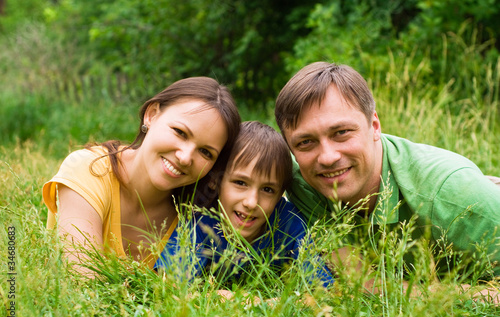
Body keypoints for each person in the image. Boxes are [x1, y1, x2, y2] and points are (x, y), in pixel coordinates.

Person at [274, 62, 500, 296]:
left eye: (341, 133)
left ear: (374, 126)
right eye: (305, 142)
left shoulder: (453, 193)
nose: (328, 157)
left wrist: (431, 296)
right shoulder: (296, 180)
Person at [43, 77, 241, 273]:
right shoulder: (88, 168)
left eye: (206, 152)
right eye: (180, 132)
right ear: (152, 115)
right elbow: (82, 285)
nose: (185, 157)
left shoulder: (198, 219)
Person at [155, 121, 335, 288]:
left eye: (267, 189)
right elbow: (168, 282)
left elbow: (324, 289)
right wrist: (215, 297)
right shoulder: (201, 221)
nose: (251, 202)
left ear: (280, 195)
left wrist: (271, 304)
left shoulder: (288, 223)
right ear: (216, 182)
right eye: (240, 183)